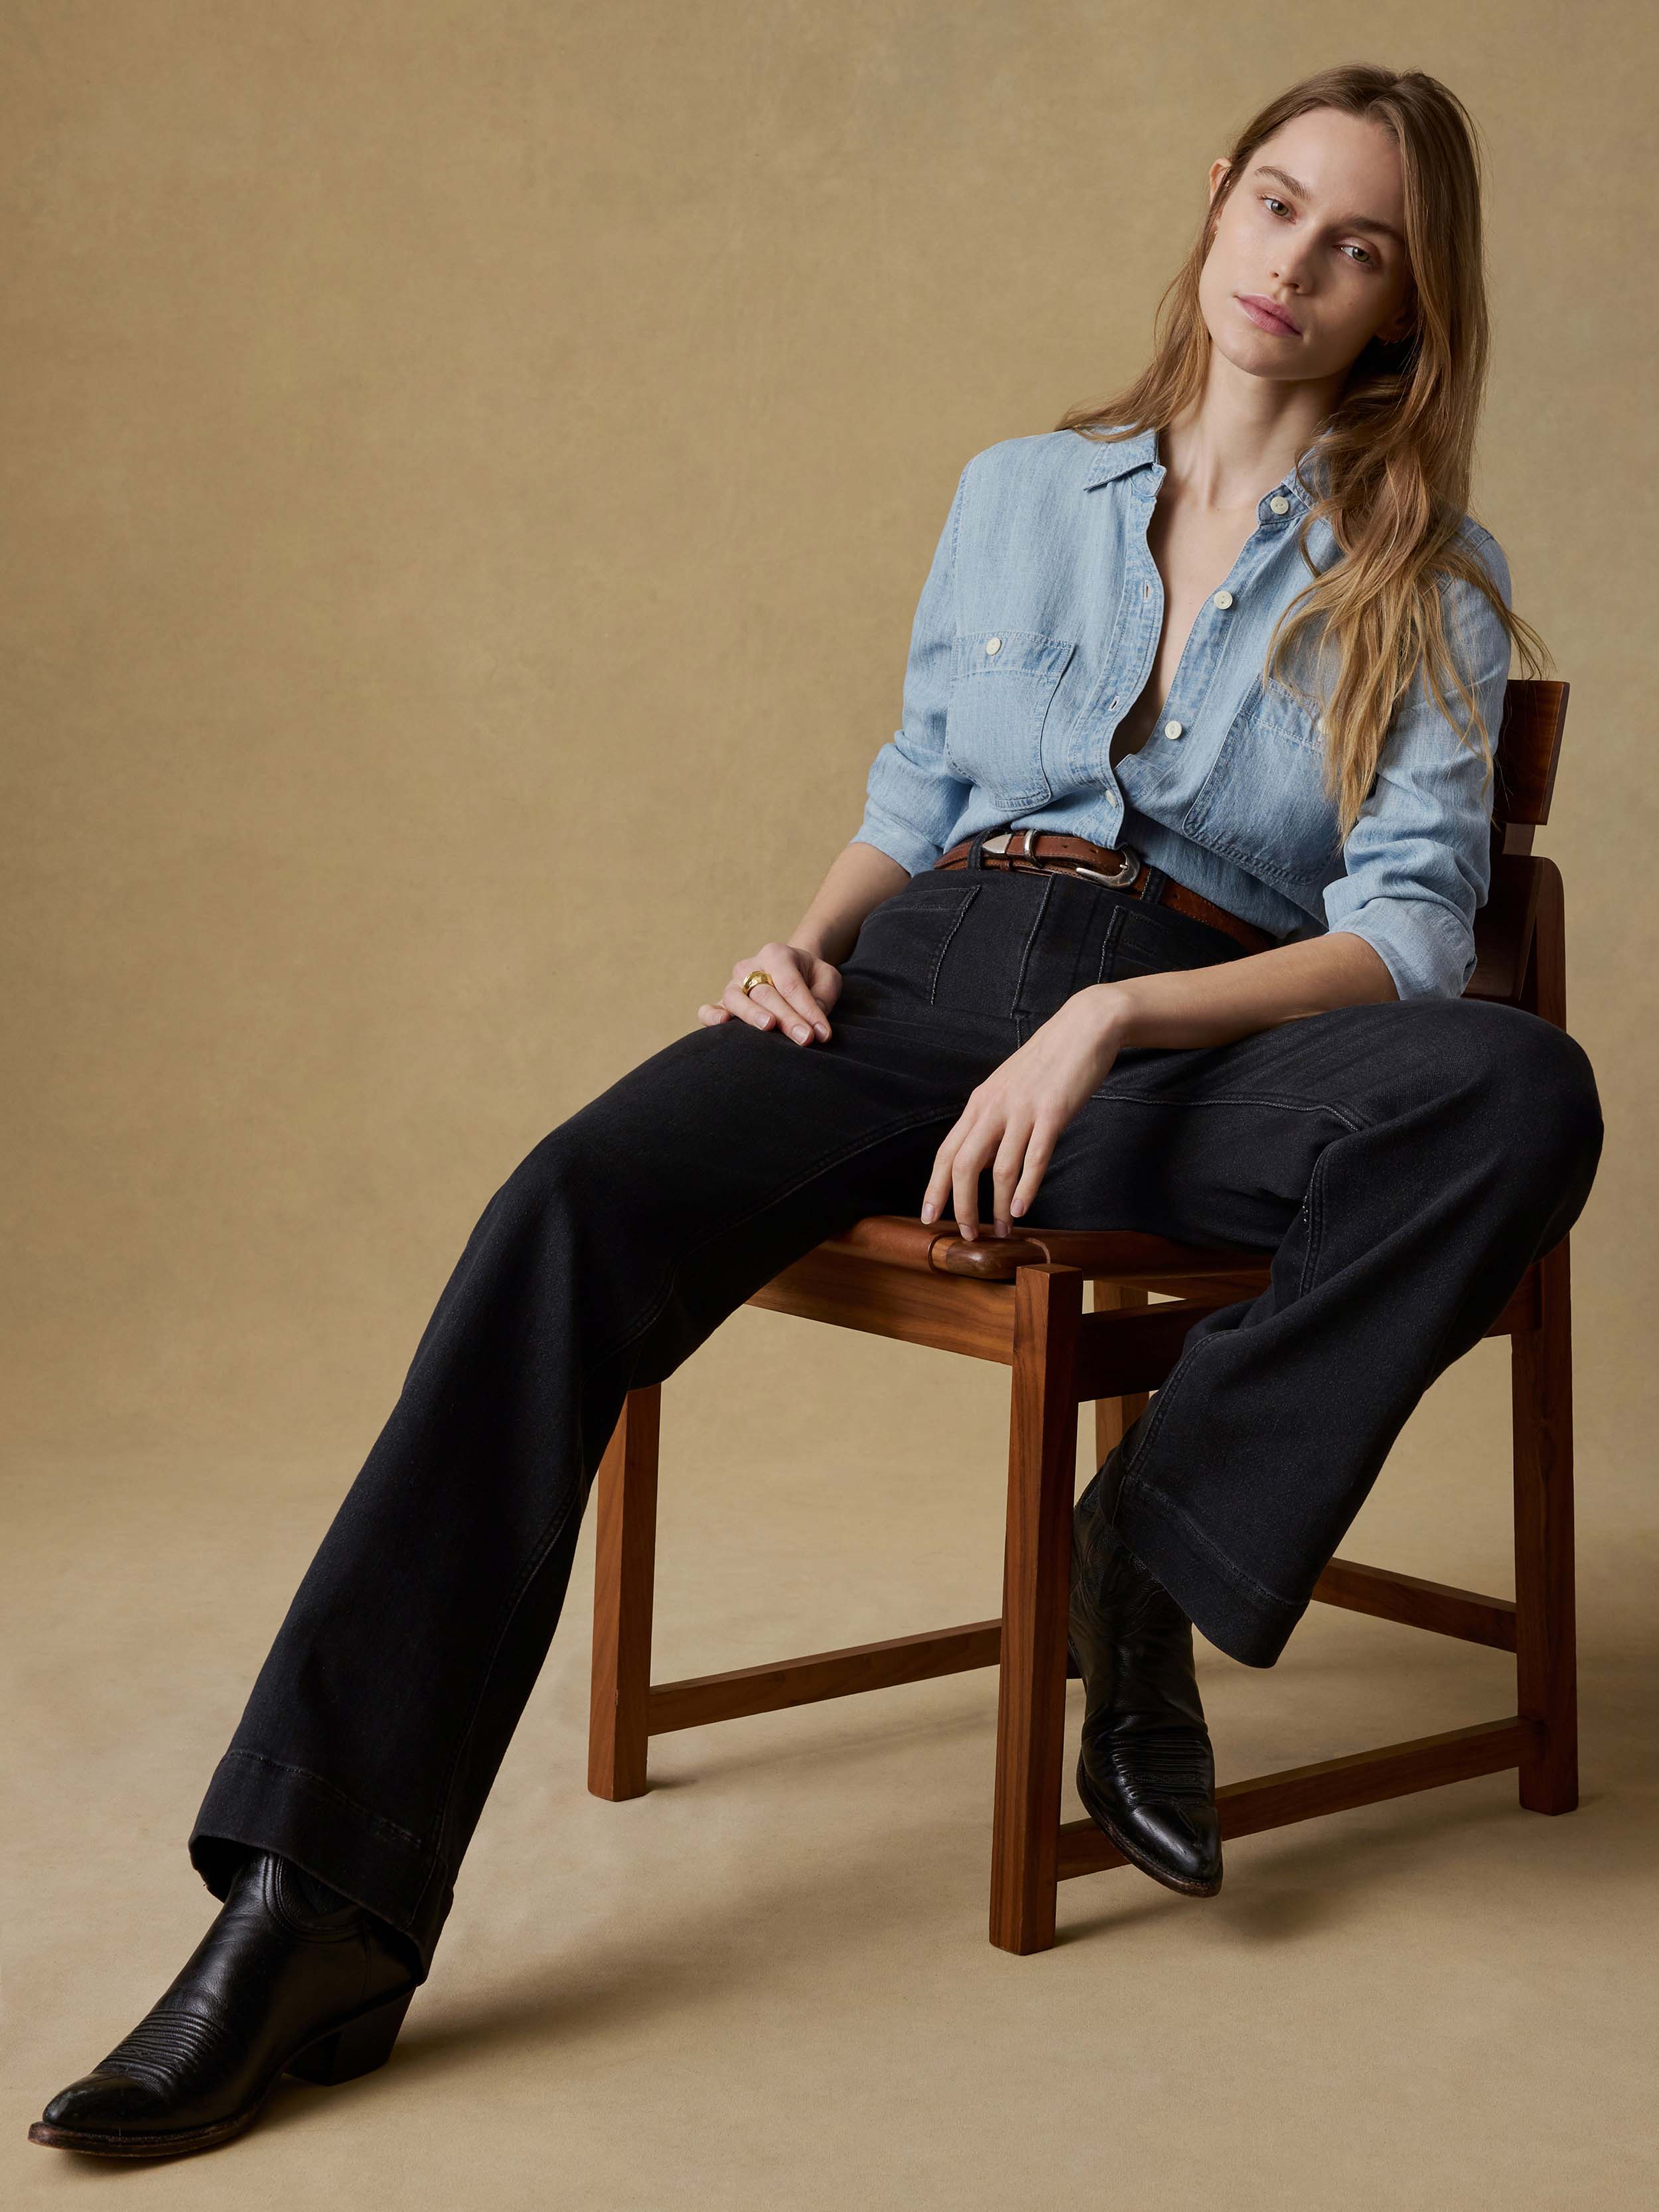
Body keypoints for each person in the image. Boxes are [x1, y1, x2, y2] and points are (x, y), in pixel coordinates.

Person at [29, 62, 1603, 2161]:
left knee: (1511, 1091)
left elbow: (1414, 933)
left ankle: (1149, 1553)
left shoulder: (1430, 574)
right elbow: (919, 795)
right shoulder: (1016, 492)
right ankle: (311, 1905)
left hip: (1181, 1039)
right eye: (1277, 207)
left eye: (1359, 244)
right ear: (1215, 208)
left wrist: (1124, 1016)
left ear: (1406, 302)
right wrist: (799, 945)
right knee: (565, 1209)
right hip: (921, 981)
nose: (1296, 265)